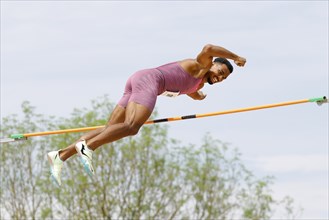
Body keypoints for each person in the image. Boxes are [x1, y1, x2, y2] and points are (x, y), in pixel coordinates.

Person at [47, 44, 246, 186]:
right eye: (220, 70)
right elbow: (209, 47)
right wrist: (235, 57)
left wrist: (197, 96)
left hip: (137, 80)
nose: (220, 77)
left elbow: (188, 90)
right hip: (151, 81)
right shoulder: (201, 65)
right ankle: (88, 147)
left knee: (110, 129)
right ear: (212, 64)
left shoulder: (198, 82)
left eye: (223, 78)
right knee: (132, 126)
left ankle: (60, 156)